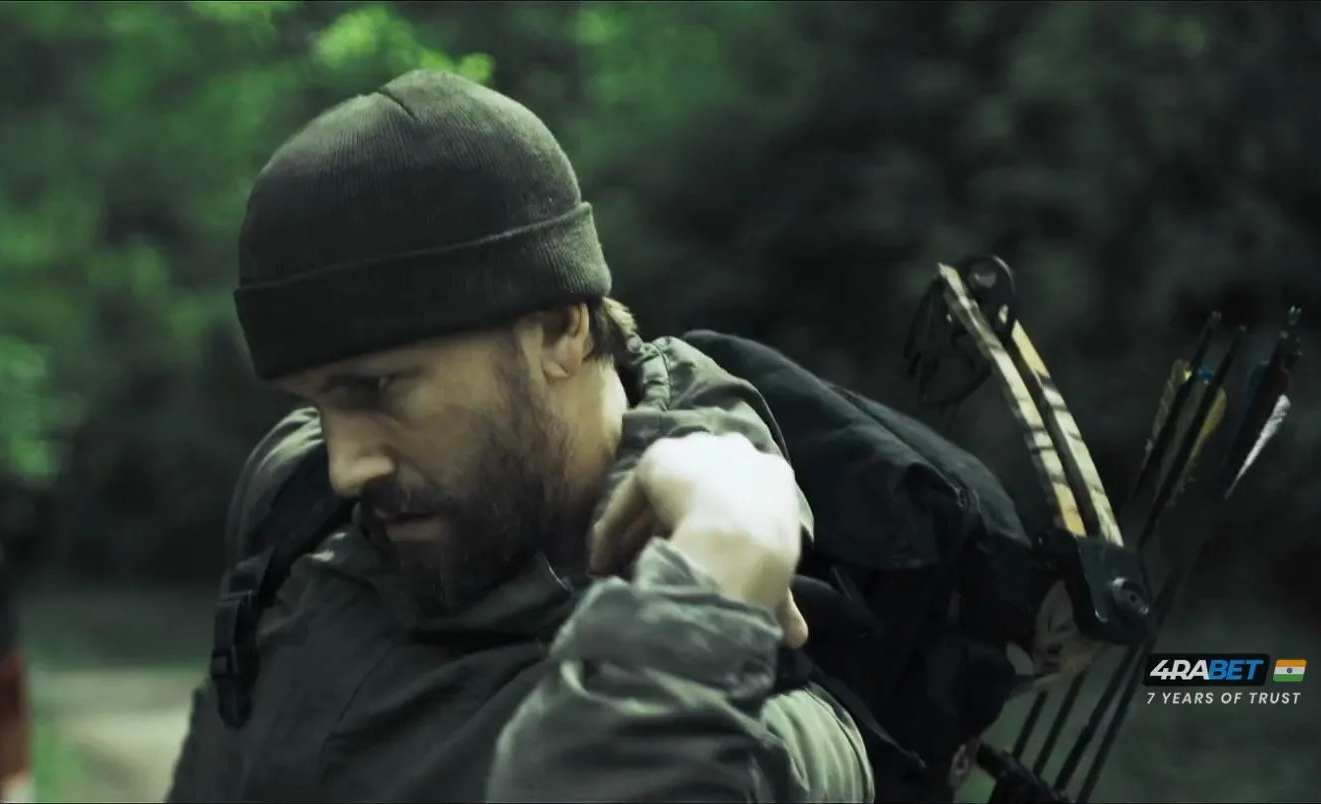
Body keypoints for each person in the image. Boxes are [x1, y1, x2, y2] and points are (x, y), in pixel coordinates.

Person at [164, 69, 874, 802]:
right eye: (316, 405)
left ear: (561, 330)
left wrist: (700, 597)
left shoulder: (740, 725)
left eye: (376, 389)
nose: (344, 466)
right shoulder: (296, 495)